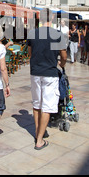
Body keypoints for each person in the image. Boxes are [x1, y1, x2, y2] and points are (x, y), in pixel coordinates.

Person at [27, 8, 67, 150]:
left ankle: (39, 132)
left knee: (37, 104)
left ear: (40, 18)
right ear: (53, 19)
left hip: (35, 72)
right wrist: (61, 64)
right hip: (50, 72)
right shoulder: (57, 34)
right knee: (47, 106)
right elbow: (63, 55)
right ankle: (39, 141)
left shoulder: (32, 33)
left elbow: (30, 53)